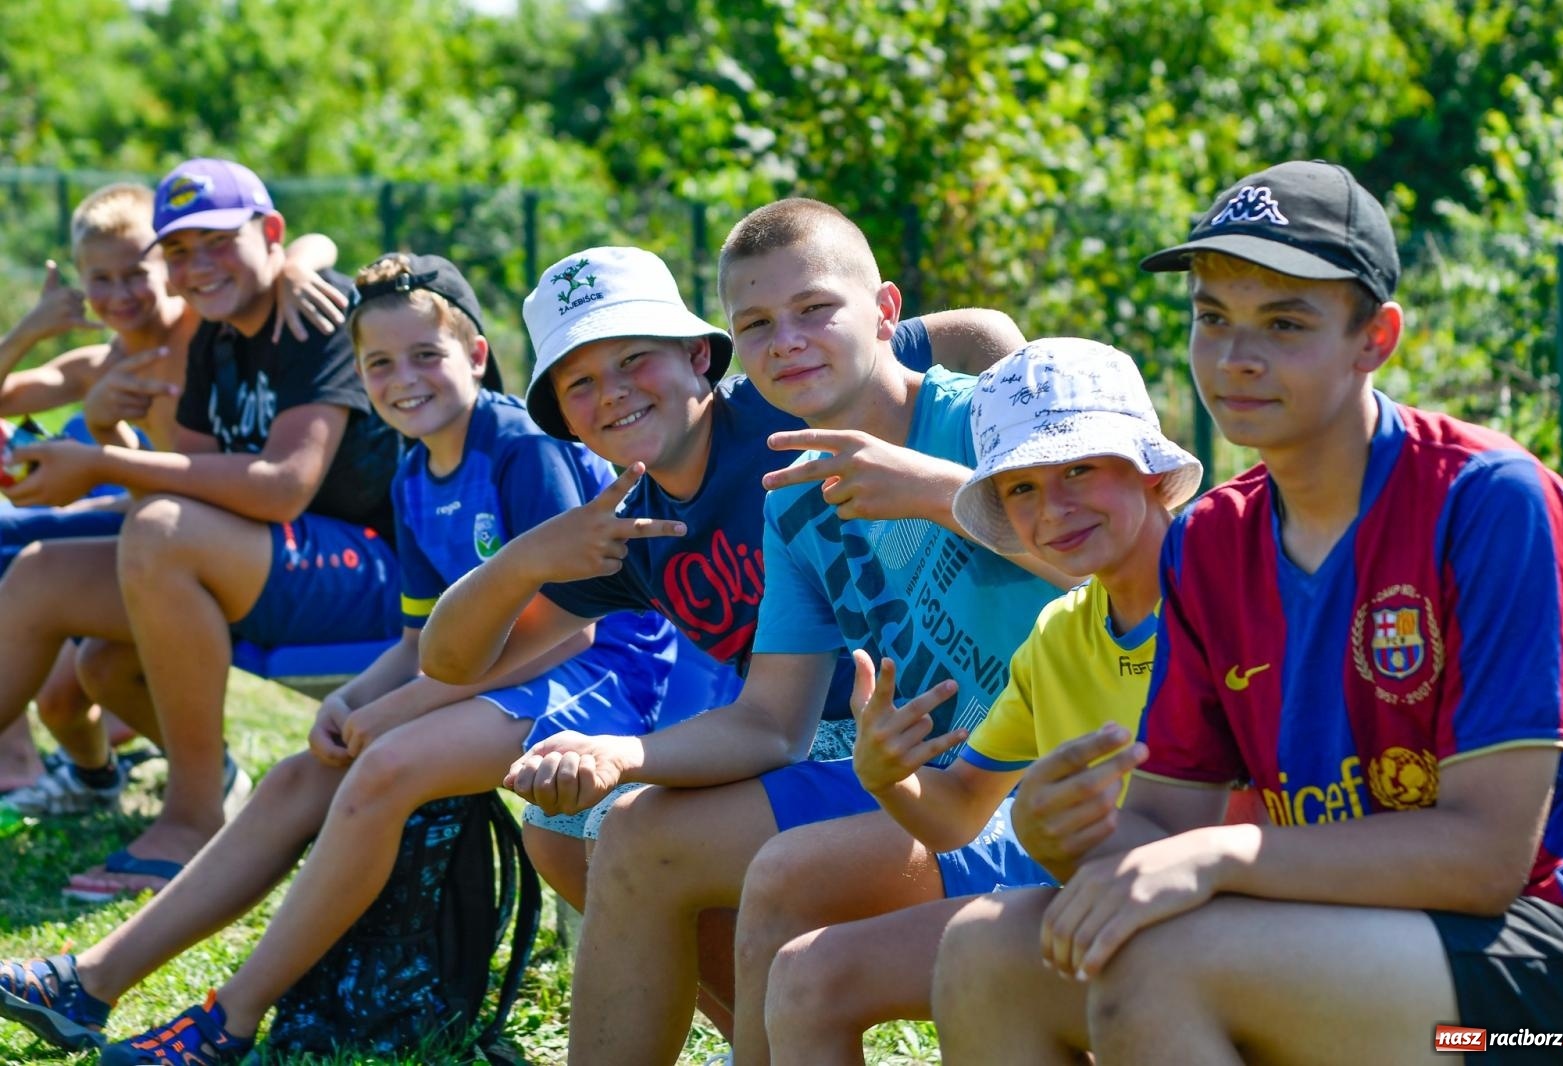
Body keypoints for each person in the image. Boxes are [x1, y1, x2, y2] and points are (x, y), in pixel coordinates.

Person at [930, 160, 1563, 1065]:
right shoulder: (1210, 540)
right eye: (1214, 319)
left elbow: (1485, 862)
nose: (1237, 359)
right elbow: (1165, 827)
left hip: (1547, 990)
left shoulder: (1491, 499)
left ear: (1377, 338)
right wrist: (1069, 835)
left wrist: (1226, 856)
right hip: (1335, 930)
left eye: (1285, 324)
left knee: (1162, 968)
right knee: (984, 954)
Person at [0, 251, 683, 1066]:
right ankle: (92, 982)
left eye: (426, 356)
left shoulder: (518, 445)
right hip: (503, 683)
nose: (405, 379)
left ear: (473, 355)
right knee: (300, 772)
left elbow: (569, 631)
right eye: (379, 364)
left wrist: (402, 707)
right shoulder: (413, 473)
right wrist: (355, 696)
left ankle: (229, 1021)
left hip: (610, 677)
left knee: (384, 765)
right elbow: (415, 640)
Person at [493, 199, 1065, 1064]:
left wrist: (937, 492)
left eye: (814, 310)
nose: (785, 341)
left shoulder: (999, 422)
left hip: (1049, 792)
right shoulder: (795, 490)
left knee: (786, 879)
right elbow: (770, 721)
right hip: (920, 783)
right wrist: (620, 756)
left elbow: (1154, 575)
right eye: (756, 323)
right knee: (636, 833)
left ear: (886, 312)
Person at [421, 244, 1025, 909]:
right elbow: (455, 661)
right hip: (786, 729)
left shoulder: (784, 398)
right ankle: (738, 1014)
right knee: (558, 828)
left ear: (697, 355)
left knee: (646, 834)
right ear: (564, 418)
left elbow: (977, 332)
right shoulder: (623, 532)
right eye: (580, 383)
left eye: (632, 359)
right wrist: (525, 557)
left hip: (921, 715)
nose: (614, 391)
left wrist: (1025, 452)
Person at [747, 337, 1199, 1066]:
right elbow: (957, 812)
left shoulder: (1228, 604)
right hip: (1095, 906)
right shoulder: (1060, 632)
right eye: (1020, 488)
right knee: (807, 976)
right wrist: (887, 770)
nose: (1053, 507)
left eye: (1079, 467)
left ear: (1151, 468)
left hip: (1224, 917)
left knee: (984, 958)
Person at [0, 158, 402, 900]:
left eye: (217, 241)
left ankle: (193, 816)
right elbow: (193, 473)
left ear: (270, 233)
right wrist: (95, 456)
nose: (196, 267)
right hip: (289, 561)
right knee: (48, 588)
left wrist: (101, 460)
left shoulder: (313, 313)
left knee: (158, 529)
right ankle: (195, 784)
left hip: (394, 578)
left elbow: (283, 486)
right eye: (179, 252)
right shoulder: (220, 337)